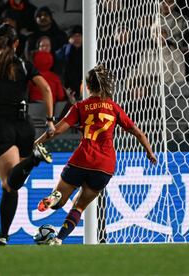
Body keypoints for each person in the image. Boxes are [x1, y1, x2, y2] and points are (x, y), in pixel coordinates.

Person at [34, 64, 157, 245]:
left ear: (87, 86)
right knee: (79, 206)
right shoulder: (114, 108)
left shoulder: (80, 107)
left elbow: (57, 130)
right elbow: (138, 132)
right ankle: (59, 239)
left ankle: (54, 199)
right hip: (104, 166)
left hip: (82, 159)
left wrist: (38, 142)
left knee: (60, 198)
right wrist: (150, 152)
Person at [0, 23, 55, 246]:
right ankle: (3, 235)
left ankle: (34, 158)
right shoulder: (23, 64)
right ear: (16, 43)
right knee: (14, 184)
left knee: (9, 185)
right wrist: (50, 120)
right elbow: (46, 89)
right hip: (25, 125)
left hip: (0, 126)